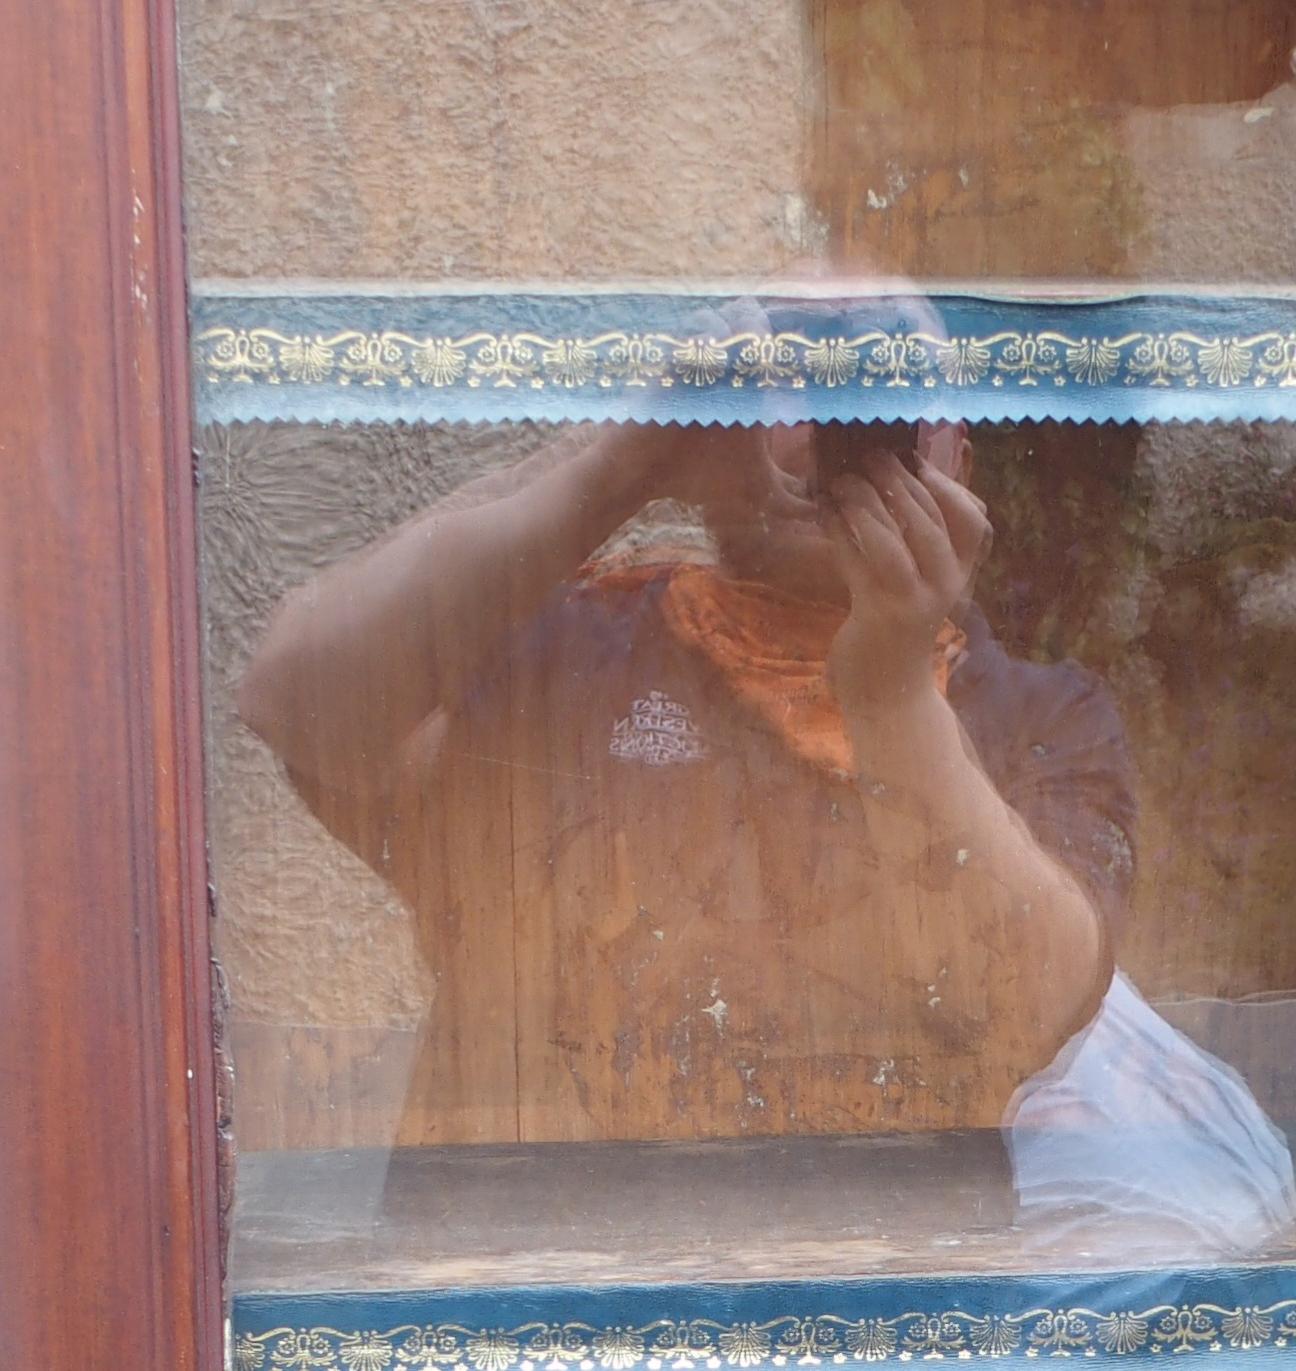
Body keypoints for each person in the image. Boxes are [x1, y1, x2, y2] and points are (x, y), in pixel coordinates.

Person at [238, 408, 1137, 1149]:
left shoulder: (1040, 718)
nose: (833, 432)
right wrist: (620, 465)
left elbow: (1035, 1007)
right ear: (723, 425)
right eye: (788, 386)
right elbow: (296, 703)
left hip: (877, 1331)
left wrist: (893, 695)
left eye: (886, 398)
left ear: (958, 464)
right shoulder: (565, 646)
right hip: (537, 1325)